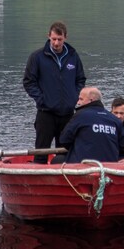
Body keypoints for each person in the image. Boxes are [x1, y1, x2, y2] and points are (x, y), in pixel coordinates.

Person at [22, 21, 87, 163]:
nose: (56, 43)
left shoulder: (73, 56)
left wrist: (74, 97)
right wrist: (41, 99)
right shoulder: (37, 57)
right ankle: (38, 179)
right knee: (41, 152)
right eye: (53, 39)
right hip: (46, 113)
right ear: (48, 37)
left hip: (67, 113)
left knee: (65, 152)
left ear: (65, 38)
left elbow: (80, 79)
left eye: (59, 39)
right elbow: (28, 81)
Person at [57, 87, 124, 163]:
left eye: (81, 99)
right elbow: (123, 144)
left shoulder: (80, 116)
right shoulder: (114, 119)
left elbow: (64, 140)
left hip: (83, 166)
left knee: (57, 159)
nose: (78, 102)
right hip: (110, 166)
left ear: (91, 100)